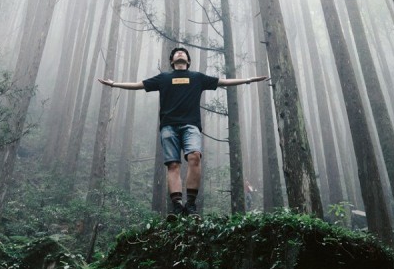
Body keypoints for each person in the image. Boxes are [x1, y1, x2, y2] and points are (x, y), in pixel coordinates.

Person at [99, 46, 268, 216]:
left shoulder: (197, 77)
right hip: (168, 126)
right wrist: (114, 84)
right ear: (172, 61)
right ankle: (177, 205)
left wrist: (248, 80)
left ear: (188, 60)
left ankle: (191, 204)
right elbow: (138, 85)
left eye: (183, 52)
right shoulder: (163, 78)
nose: (180, 53)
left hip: (191, 126)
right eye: (176, 53)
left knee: (194, 156)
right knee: (173, 165)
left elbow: (222, 82)